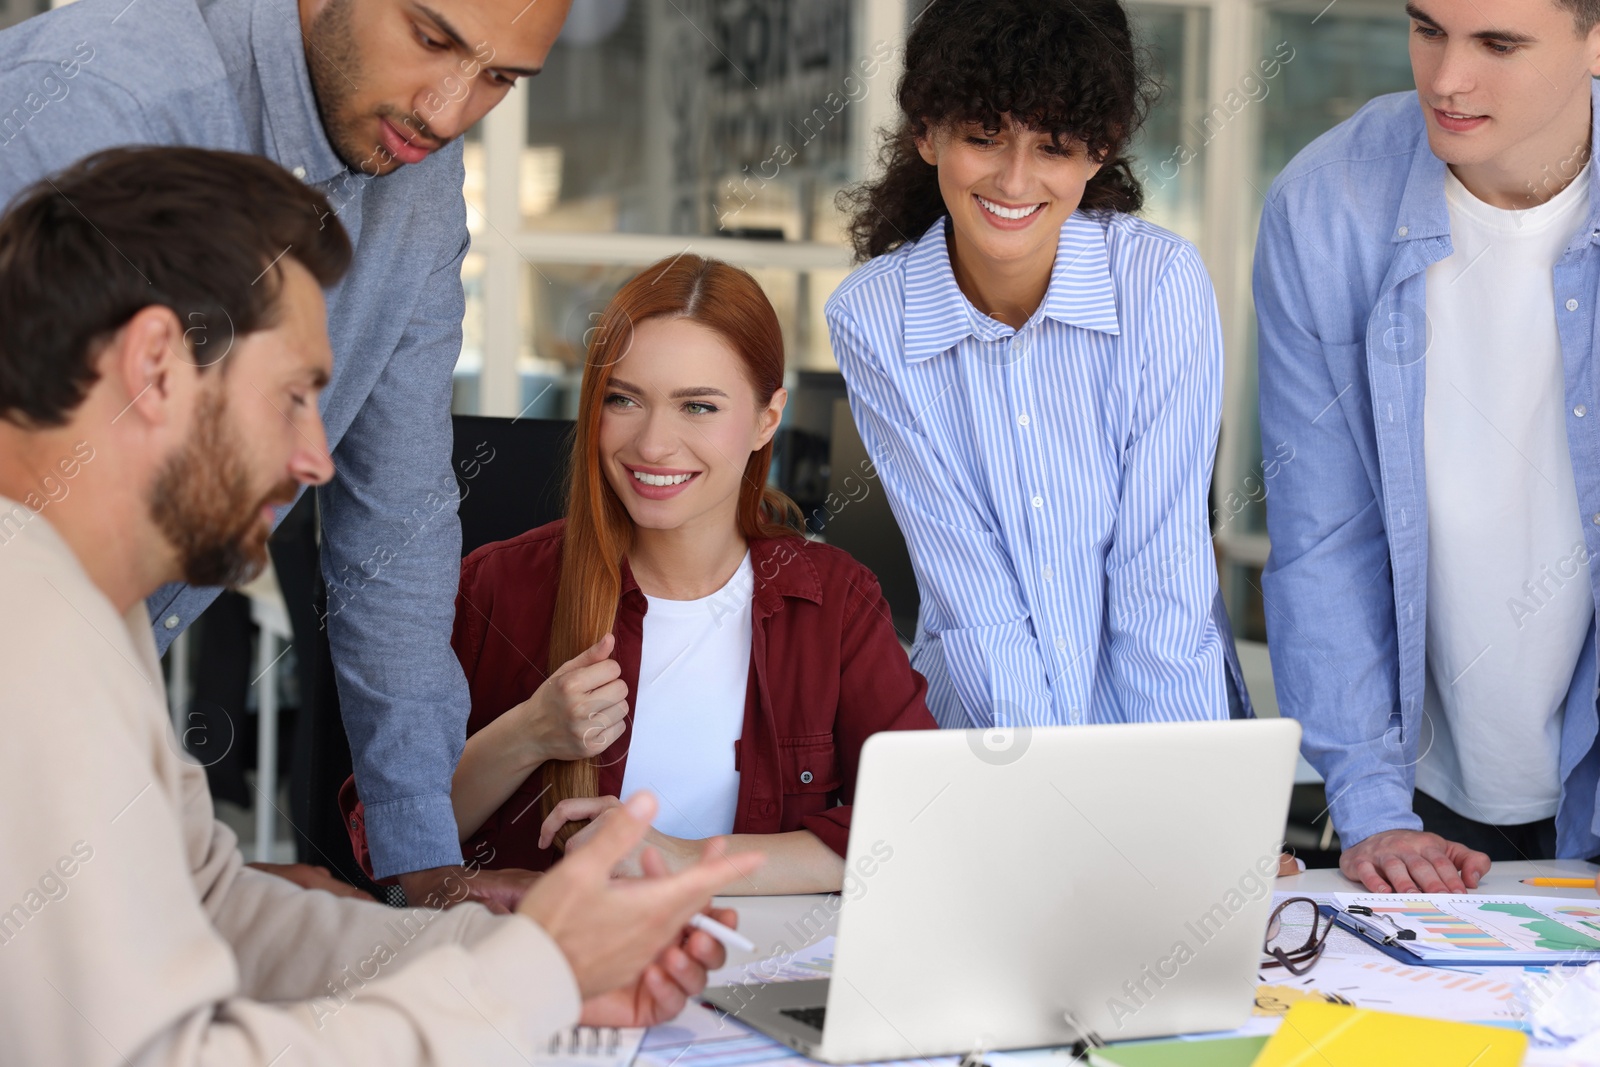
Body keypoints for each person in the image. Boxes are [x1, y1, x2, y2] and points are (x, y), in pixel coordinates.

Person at [0, 145, 760, 1067]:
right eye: (294, 397)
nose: (318, 458)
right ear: (157, 363)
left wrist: (526, 955)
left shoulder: (79, 599)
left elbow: (213, 903)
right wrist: (523, 987)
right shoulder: (28, 625)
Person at [0, 0, 575, 906]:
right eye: (432, 39)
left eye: (501, 78)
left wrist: (425, 869)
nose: (450, 109)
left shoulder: (418, 180)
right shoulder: (97, 98)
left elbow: (397, 515)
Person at [340, 255, 938, 892]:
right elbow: (380, 841)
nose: (653, 445)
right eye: (624, 399)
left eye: (699, 407)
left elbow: (920, 821)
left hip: (746, 975)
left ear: (768, 419)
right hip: (543, 973)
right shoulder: (496, 587)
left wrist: (684, 859)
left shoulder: (834, 601)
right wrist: (528, 734)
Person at [825, 0, 1251, 731]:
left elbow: (1163, 579)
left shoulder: (1160, 284)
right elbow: (969, 588)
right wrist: (1049, 785)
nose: (1015, 181)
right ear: (928, 134)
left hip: (1155, 729)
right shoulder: (871, 318)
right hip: (987, 734)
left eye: (1053, 146)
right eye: (985, 138)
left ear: (1099, 150)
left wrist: (1180, 811)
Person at [1256, 0, 1600, 891]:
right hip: (1421, 796)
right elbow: (1324, 537)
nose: (1446, 80)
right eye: (1427, 28)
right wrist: (1373, 808)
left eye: (1498, 44)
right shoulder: (1326, 206)